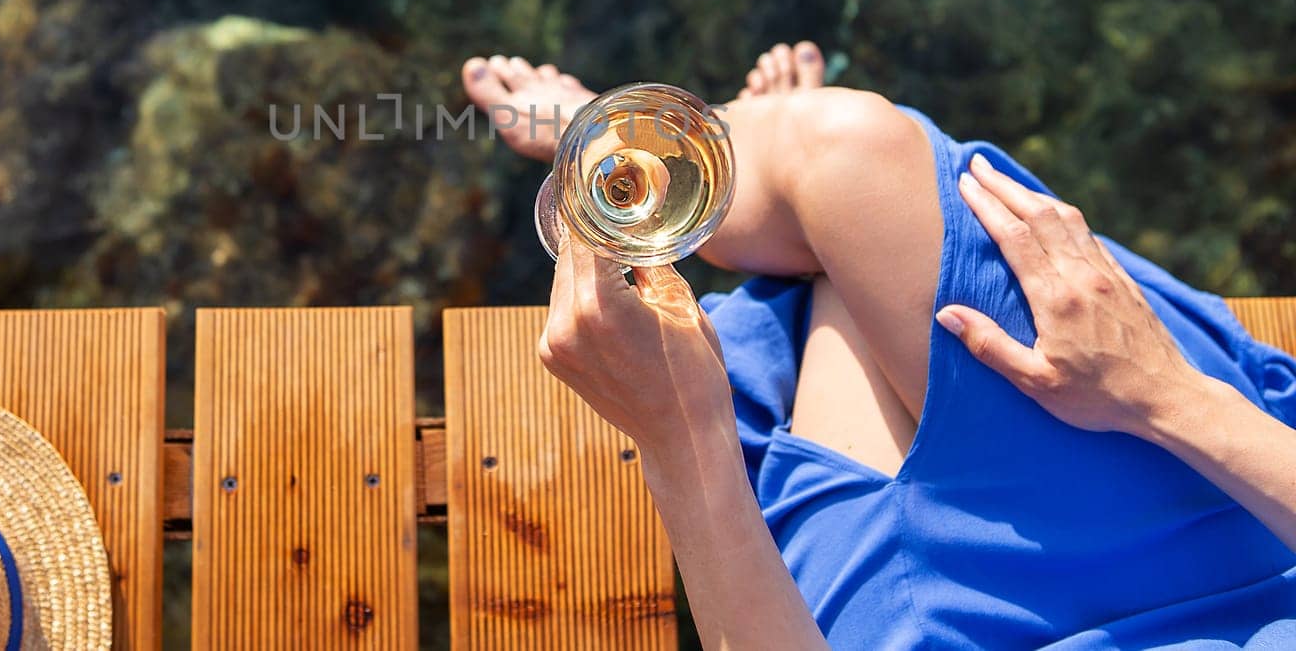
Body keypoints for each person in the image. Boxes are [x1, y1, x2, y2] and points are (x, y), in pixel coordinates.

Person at [462, 44, 1296, 649]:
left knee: (824, 234)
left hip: (944, 622)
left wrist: (683, 437)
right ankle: (697, 173)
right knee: (844, 151)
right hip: (1249, 519)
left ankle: (641, 158)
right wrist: (1164, 392)